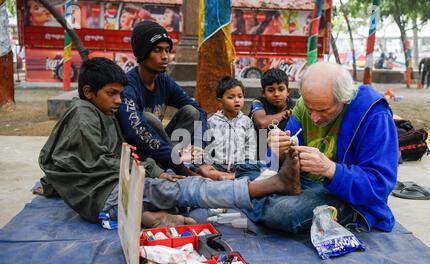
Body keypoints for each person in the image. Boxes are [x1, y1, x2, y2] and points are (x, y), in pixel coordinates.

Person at [38, 57, 301, 228]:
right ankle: (268, 185)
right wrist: (153, 173)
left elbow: (67, 164)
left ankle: (151, 216)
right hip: (109, 193)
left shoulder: (100, 112)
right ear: (89, 92)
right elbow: (107, 162)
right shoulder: (85, 115)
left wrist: (159, 171)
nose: (119, 100)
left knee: (176, 190)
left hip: (109, 193)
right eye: (112, 94)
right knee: (184, 190)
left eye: (120, 93)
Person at [236, 62, 398, 234]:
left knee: (283, 212)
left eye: (322, 110)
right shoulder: (304, 105)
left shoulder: (373, 113)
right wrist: (278, 151)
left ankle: (250, 196)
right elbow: (276, 162)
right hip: (299, 182)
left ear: (344, 99)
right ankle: (258, 195)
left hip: (345, 196)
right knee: (244, 168)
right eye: (309, 108)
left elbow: (380, 184)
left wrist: (331, 169)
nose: (314, 118)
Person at [116, 21, 208, 177]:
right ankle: (176, 165)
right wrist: (175, 158)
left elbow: (199, 111)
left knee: (191, 112)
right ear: (143, 53)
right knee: (148, 119)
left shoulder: (163, 80)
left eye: (167, 50)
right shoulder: (128, 86)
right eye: (157, 50)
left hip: (161, 152)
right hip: (138, 155)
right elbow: (133, 132)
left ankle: (172, 161)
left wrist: (199, 147)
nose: (165, 56)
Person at [198, 76, 257, 181]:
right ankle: (222, 176)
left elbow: (250, 145)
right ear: (220, 101)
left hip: (240, 166)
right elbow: (207, 146)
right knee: (200, 169)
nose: (237, 100)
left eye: (240, 96)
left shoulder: (247, 122)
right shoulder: (212, 122)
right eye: (231, 97)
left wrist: (248, 163)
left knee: (257, 169)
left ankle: (232, 176)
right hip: (217, 165)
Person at [248, 68, 295, 156]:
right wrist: (284, 114)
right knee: (262, 132)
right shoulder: (259, 102)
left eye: (281, 89)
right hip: (260, 154)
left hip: (285, 155)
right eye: (271, 90)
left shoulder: (294, 106)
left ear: (288, 91)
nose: (276, 94)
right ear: (263, 93)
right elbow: (262, 123)